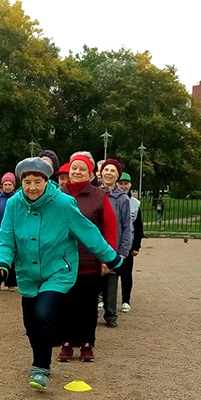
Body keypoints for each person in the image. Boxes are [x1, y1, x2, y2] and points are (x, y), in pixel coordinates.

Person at [0, 157, 123, 391]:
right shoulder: (14, 204)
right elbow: (5, 236)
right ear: (21, 182)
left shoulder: (63, 203)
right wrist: (2, 262)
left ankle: (40, 368)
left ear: (46, 181)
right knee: (30, 324)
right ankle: (40, 357)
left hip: (58, 270)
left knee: (43, 315)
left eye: (38, 182)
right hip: (28, 273)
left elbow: (88, 232)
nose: (32, 187)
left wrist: (111, 257)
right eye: (28, 182)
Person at [58, 154, 118, 363]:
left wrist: (106, 258)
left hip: (90, 262)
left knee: (87, 306)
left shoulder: (99, 196)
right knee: (65, 304)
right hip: (63, 262)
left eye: (82, 169)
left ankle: (86, 343)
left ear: (91, 173)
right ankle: (66, 342)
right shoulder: (58, 194)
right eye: (74, 168)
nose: (77, 172)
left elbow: (109, 229)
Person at [98, 158, 132, 328]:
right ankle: (90, 313)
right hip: (95, 244)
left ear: (117, 175)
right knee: (92, 281)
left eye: (113, 171)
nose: (109, 173)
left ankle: (111, 315)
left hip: (114, 246)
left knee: (111, 282)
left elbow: (127, 226)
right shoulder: (95, 193)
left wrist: (123, 250)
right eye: (106, 170)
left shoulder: (122, 198)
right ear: (101, 173)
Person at [116, 172, 144, 313]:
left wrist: (136, 246)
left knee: (126, 274)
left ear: (130, 185)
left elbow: (138, 226)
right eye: (120, 183)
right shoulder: (111, 199)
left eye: (126, 184)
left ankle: (126, 300)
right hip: (113, 242)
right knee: (108, 273)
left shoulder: (135, 203)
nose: (123, 186)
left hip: (128, 243)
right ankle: (104, 299)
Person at [0, 172, 17, 291]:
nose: (7, 186)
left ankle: (11, 283)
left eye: (10, 184)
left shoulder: (18, 198)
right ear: (2, 185)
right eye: (5, 184)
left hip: (14, 232)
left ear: (13, 185)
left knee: (12, 258)